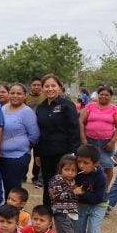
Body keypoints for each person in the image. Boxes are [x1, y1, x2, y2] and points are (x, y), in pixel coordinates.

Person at [36, 74, 80, 207]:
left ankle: (62, 217)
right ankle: (47, 217)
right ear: (43, 89)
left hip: (63, 153)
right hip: (45, 153)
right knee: (48, 185)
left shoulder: (67, 105)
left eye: (53, 86)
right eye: (46, 86)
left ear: (60, 87)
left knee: (62, 185)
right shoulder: (41, 107)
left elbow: (74, 129)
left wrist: (72, 153)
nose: (50, 89)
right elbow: (39, 131)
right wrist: (37, 153)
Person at [0, 83, 40, 195]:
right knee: (0, 188)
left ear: (25, 96)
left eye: (19, 93)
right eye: (12, 93)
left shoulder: (27, 112)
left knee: (12, 189)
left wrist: (21, 145)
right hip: (0, 156)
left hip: (17, 158)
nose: (15, 96)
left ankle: (12, 212)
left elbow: (34, 136)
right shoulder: (3, 108)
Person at [72, 144, 108, 233]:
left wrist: (82, 193)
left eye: (86, 163)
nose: (81, 165)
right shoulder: (77, 172)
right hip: (82, 205)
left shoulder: (101, 177)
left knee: (93, 230)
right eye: (79, 161)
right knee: (78, 228)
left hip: (98, 206)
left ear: (96, 163)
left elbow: (98, 198)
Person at [79, 86, 117, 185]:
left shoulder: (115, 110)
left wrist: (113, 142)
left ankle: (104, 189)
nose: (103, 96)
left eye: (107, 95)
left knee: (108, 167)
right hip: (90, 141)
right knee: (88, 165)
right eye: (101, 94)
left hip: (106, 144)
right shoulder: (89, 106)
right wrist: (83, 139)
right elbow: (81, 122)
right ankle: (89, 187)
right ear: (98, 95)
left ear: (111, 97)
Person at [48, 154, 79, 233]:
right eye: (67, 169)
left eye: (73, 170)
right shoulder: (56, 180)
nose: (70, 173)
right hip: (61, 213)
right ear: (61, 168)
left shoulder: (75, 181)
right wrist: (73, 192)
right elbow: (55, 195)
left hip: (73, 214)